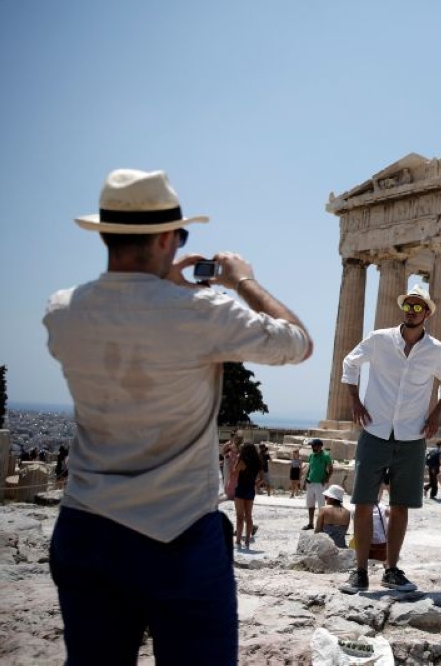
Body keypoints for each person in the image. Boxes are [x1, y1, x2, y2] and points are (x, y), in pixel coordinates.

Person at [43, 168, 312, 664]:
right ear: (170, 238)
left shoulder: (62, 312)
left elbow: (135, 313)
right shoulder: (203, 312)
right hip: (178, 534)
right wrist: (242, 280)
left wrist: (164, 284)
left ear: (105, 234)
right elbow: (297, 343)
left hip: (84, 528)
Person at [339, 283, 441, 594]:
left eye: (418, 306)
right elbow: (349, 364)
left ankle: (391, 570)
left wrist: (435, 414)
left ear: (427, 313)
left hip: (411, 435)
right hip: (375, 430)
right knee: (363, 503)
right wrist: (354, 399)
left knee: (400, 506)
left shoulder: (437, 350)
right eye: (408, 305)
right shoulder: (379, 340)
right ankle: (360, 571)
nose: (412, 310)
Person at [233, 441, 263, 550]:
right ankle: (247, 542)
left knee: (239, 516)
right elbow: (262, 478)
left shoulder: (242, 461)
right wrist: (255, 484)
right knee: (249, 516)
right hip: (250, 489)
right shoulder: (257, 462)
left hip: (241, 489)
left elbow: (234, 473)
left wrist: (236, 462)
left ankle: (237, 541)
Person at [303, 438, 333, 530]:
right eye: (312, 446)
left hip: (320, 484)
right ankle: (311, 523)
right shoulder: (311, 455)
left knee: (321, 506)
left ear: (320, 446)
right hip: (310, 483)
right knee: (310, 505)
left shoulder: (326, 456)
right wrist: (305, 480)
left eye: (314, 446)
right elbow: (310, 468)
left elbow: (331, 469)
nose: (312, 447)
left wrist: (326, 479)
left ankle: (321, 525)